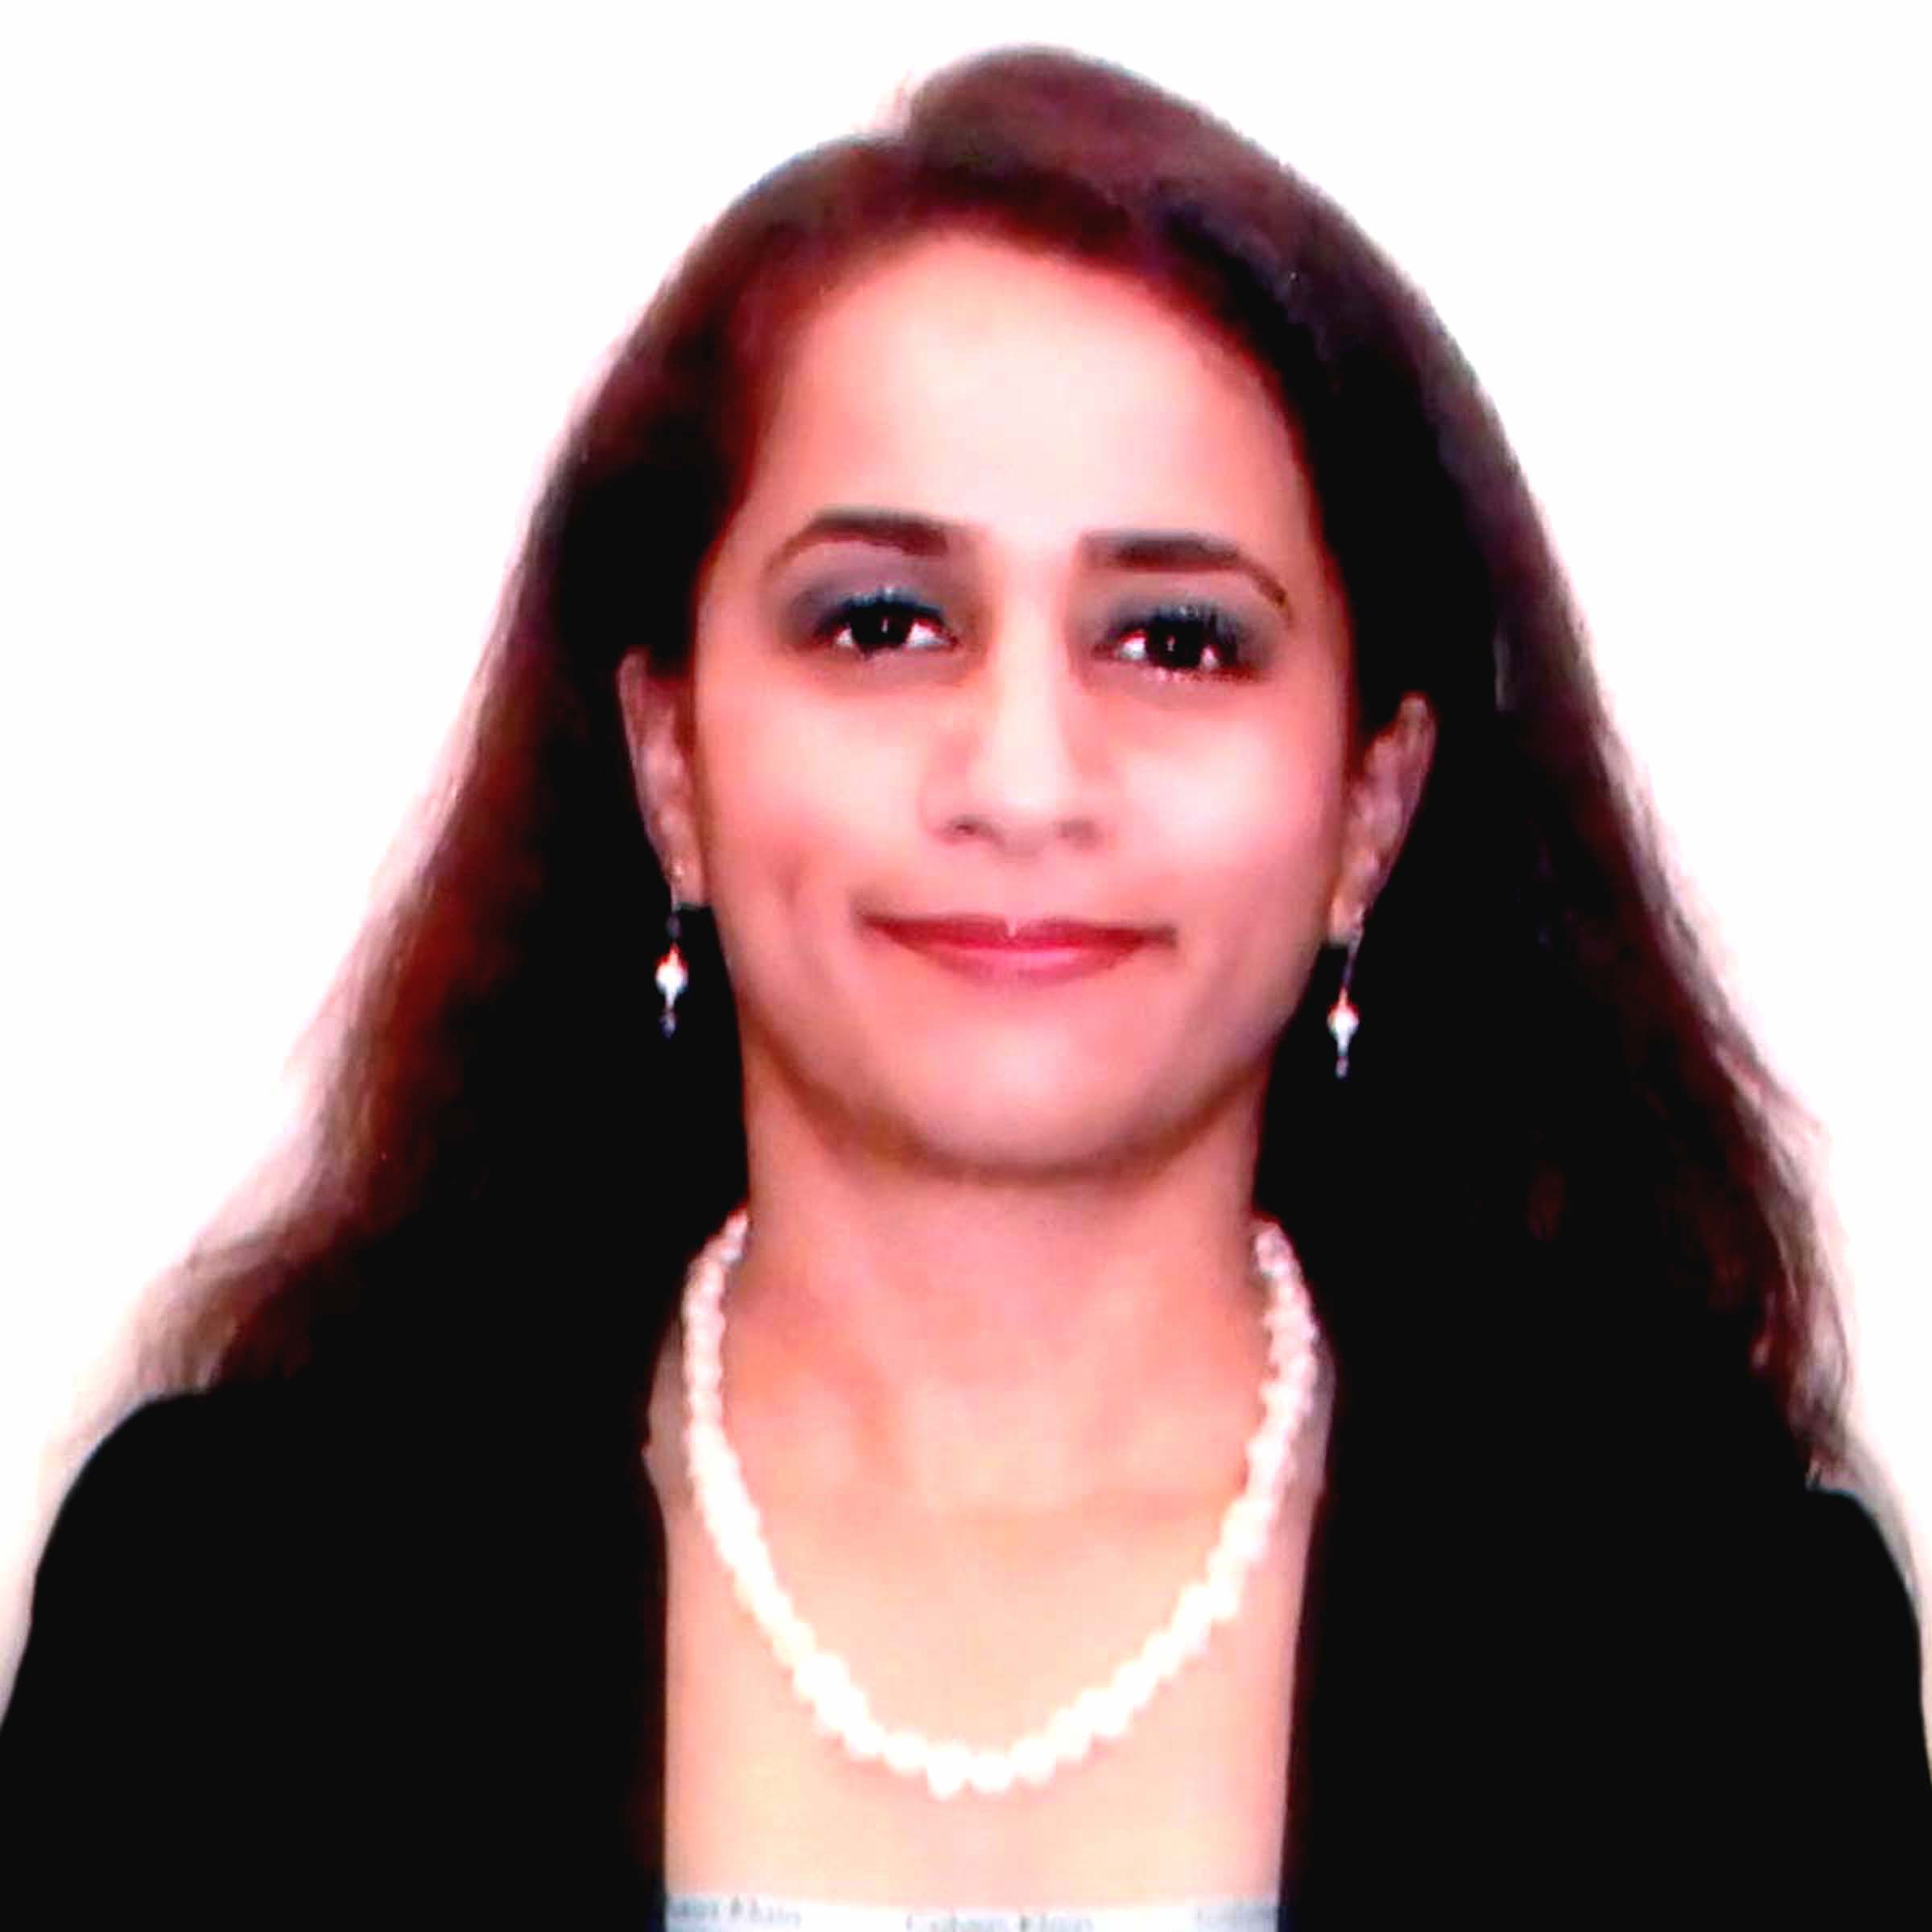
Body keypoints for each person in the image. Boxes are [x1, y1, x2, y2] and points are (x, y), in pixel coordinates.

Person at [1, 43, 1926, 1926]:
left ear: (1372, 801)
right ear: (671, 763)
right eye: (882, 622)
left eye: (1175, 642)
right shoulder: (225, 1609)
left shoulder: (1726, 1647)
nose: (1021, 780)